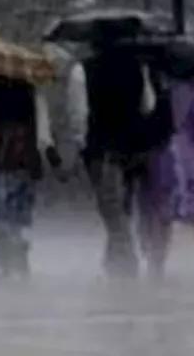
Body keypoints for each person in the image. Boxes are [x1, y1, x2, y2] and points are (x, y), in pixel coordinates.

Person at [65, 38, 158, 279]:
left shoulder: (82, 70)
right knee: (122, 206)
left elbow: (79, 112)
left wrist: (81, 142)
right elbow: (148, 105)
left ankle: (126, 262)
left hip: (101, 149)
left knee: (111, 207)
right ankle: (115, 260)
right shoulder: (139, 67)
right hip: (132, 148)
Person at [0, 75, 62, 281]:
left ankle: (5, 265)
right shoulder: (31, 92)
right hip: (24, 165)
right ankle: (17, 261)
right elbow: (43, 136)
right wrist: (55, 161)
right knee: (15, 220)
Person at [135, 77, 194, 278]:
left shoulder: (151, 76)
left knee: (159, 206)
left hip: (162, 150)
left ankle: (155, 263)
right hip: (190, 153)